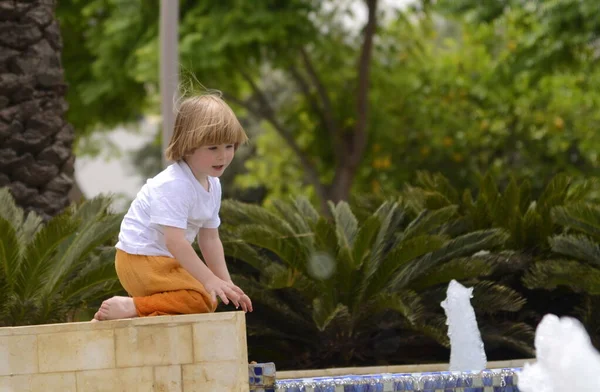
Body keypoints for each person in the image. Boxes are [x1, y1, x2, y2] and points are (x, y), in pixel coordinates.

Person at [93, 93, 253, 321]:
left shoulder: (212, 184)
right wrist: (209, 280)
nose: (223, 156)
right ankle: (129, 307)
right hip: (140, 259)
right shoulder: (175, 184)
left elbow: (209, 239)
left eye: (230, 146)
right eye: (213, 148)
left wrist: (225, 283)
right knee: (203, 298)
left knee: (209, 296)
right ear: (188, 147)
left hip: (164, 261)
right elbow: (175, 241)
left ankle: (126, 314)